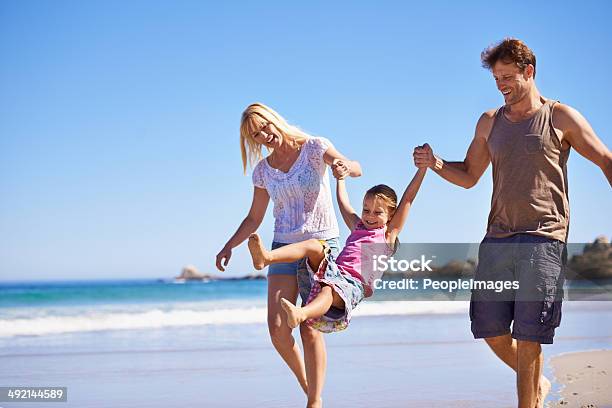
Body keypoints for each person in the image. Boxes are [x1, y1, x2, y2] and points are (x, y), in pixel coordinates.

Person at [413, 38, 611, 408]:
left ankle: (528, 401)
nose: (501, 84)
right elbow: (471, 174)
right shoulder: (490, 122)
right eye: (496, 78)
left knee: (531, 331)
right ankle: (537, 384)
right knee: (488, 327)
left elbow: (605, 158)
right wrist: (436, 164)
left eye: (507, 76)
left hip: (543, 238)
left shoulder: (560, 116)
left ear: (529, 72)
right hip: (498, 237)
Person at [215, 102, 361, 408]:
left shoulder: (314, 147)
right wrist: (229, 245)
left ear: (274, 119)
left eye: (265, 126)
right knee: (278, 330)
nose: (265, 135)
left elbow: (354, 166)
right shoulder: (263, 171)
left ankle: (314, 402)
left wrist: (343, 168)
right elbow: (254, 218)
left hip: (320, 245)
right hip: (282, 246)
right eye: (256, 135)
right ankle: (307, 384)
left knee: (309, 327)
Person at [247, 166, 427, 335]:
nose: (370, 216)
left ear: (391, 215)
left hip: (354, 284)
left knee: (329, 290)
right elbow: (344, 204)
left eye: (377, 212)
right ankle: (267, 258)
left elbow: (408, 199)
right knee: (314, 245)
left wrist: (422, 169)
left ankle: (301, 314)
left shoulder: (387, 235)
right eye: (366, 210)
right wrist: (341, 180)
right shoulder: (358, 227)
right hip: (334, 271)